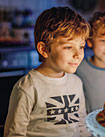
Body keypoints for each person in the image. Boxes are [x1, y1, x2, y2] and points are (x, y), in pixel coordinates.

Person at [4, 7, 90, 137]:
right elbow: (14, 134)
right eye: (68, 47)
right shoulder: (27, 88)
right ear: (44, 49)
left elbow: (82, 125)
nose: (78, 54)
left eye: (81, 47)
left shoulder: (76, 83)